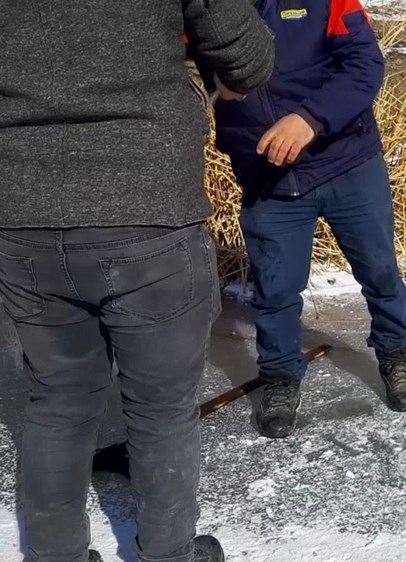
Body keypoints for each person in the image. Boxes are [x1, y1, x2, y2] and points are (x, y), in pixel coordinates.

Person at [0, 1, 274, 560]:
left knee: (57, 401)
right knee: (160, 407)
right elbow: (246, 59)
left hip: (21, 210)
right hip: (147, 208)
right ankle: (169, 554)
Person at [206, 0, 406, 439]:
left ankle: (395, 353)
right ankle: (281, 377)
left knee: (380, 271)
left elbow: (365, 64)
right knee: (275, 289)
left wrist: (309, 120)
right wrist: (211, 83)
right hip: (269, 175)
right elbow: (158, 66)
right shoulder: (206, 7)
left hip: (348, 164)